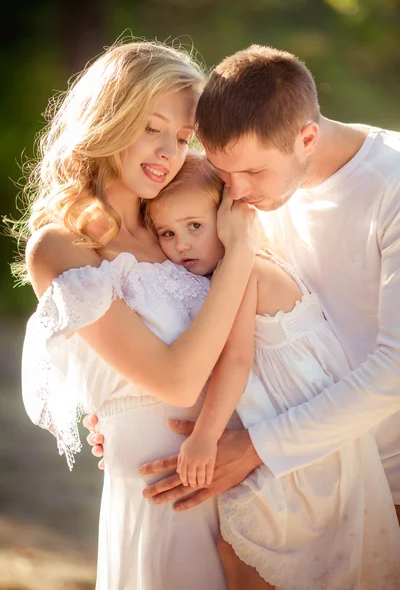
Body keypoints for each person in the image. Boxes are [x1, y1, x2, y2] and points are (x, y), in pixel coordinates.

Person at [87, 44, 400, 585]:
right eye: (226, 173)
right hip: (289, 475)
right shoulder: (242, 189)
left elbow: (395, 368)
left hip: (382, 477)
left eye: (253, 172)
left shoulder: (390, 187)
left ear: (306, 137)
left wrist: (254, 450)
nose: (238, 192)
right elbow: (212, 314)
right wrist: (133, 413)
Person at [19, 39, 263, 590]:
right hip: (163, 493)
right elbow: (176, 381)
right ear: (110, 115)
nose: (168, 151)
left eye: (181, 137)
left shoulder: (182, 228)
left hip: (245, 474)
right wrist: (241, 254)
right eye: (152, 126)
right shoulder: (64, 247)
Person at [141, 152, 400, 589]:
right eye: (167, 232)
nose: (181, 244)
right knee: (247, 550)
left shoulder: (245, 268)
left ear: (229, 217)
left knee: (248, 548)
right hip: (289, 427)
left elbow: (237, 360)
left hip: (306, 439)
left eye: (194, 226)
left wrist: (204, 436)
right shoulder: (236, 264)